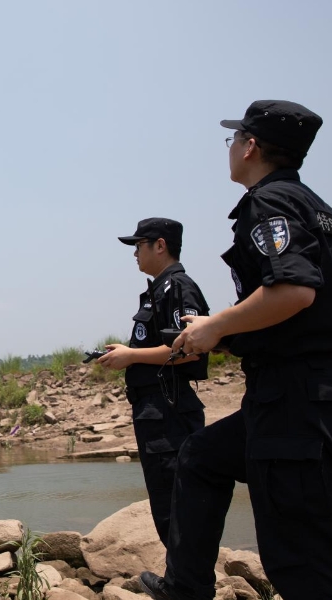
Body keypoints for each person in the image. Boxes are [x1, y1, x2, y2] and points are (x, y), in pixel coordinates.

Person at [139, 101, 332, 600]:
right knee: (200, 457)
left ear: (251, 146)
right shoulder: (320, 209)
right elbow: (328, 308)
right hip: (298, 391)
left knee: (302, 559)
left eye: (233, 140)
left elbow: (295, 292)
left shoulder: (271, 203)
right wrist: (226, 332)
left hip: (295, 400)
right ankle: (185, 587)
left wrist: (218, 324)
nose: (230, 150)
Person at [97, 218, 209, 545]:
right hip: (155, 410)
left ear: (160, 245)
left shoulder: (179, 286)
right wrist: (128, 353)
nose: (134, 253)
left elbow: (191, 351)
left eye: (138, 245)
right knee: (164, 500)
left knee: (176, 499)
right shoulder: (158, 289)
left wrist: (131, 356)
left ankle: (186, 583)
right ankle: (180, 578)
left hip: (169, 409)